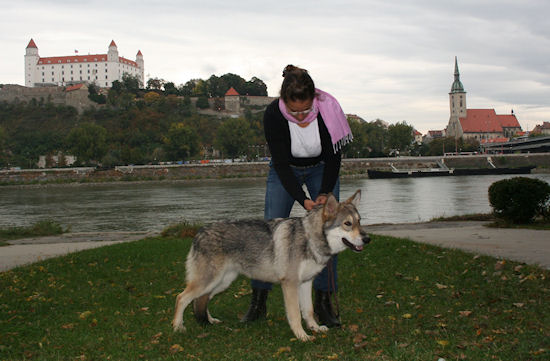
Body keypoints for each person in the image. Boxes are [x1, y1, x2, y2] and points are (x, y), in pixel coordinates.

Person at [241, 65, 353, 327]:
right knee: (267, 232)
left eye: (306, 110)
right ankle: (258, 301)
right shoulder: (273, 115)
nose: (302, 116)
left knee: (330, 233)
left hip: (321, 169)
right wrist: (303, 200)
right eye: (295, 111)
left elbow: (334, 158)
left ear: (314, 99)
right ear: (284, 102)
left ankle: (324, 302)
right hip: (286, 170)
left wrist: (325, 192)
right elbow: (280, 164)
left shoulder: (327, 111)